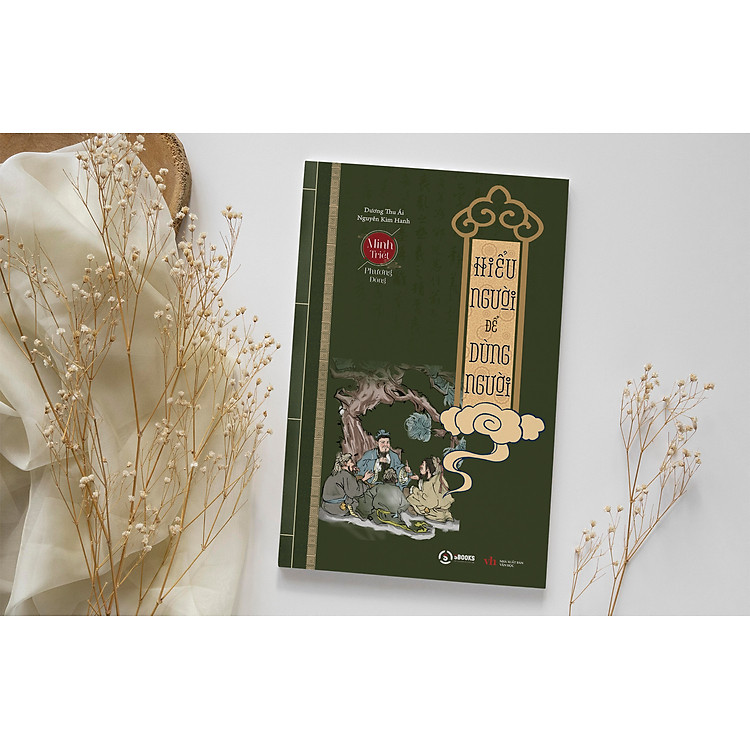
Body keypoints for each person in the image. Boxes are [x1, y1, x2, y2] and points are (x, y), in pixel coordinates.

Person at [321, 452, 373, 516]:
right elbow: (355, 492)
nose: (353, 464)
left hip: (326, 506)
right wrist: (364, 479)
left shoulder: (336, 473)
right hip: (337, 508)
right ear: (345, 463)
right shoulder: (346, 475)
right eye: (351, 462)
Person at [407, 456, 455, 522]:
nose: (420, 466)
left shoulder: (430, 483)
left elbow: (430, 503)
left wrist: (415, 490)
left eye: (423, 465)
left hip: (436, 514)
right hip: (442, 511)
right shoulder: (437, 478)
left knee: (410, 496)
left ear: (428, 468)